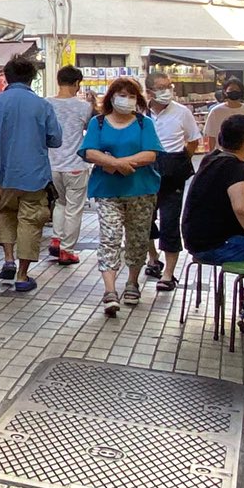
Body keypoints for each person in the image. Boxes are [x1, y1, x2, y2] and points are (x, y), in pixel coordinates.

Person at [0, 53, 62, 294]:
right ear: (32, 79)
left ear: (6, 77)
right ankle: (23, 275)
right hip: (34, 176)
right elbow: (56, 139)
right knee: (30, 221)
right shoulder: (43, 105)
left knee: (5, 214)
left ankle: (8, 259)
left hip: (5, 173)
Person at [80, 78, 160, 317]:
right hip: (107, 190)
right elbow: (89, 151)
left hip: (141, 189)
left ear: (138, 99)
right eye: (121, 94)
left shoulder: (145, 124)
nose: (125, 99)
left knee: (137, 238)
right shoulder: (99, 123)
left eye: (131, 95)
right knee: (110, 236)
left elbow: (151, 154)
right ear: (112, 97)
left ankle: (133, 282)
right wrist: (114, 163)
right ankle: (110, 291)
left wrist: (123, 164)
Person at [146, 72, 203, 292]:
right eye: (161, 87)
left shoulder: (181, 112)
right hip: (147, 170)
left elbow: (193, 140)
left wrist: (179, 161)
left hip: (173, 172)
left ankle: (168, 273)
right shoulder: (141, 113)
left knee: (170, 220)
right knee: (144, 220)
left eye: (169, 86)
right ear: (150, 91)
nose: (167, 90)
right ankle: (153, 258)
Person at [182, 116, 244, 266]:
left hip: (198, 241)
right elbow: (242, 209)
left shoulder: (212, 159)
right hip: (217, 245)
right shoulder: (235, 167)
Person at [45, 66, 92, 266]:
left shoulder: (46, 104)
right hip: (75, 164)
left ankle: (56, 239)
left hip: (52, 164)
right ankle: (67, 250)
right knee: (74, 208)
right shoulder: (84, 107)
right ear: (76, 84)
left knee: (60, 203)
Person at [202, 80, 244, 148]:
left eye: (237, 89)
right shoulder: (216, 111)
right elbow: (211, 136)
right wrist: (210, 155)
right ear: (225, 92)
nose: (234, 91)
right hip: (221, 154)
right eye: (231, 89)